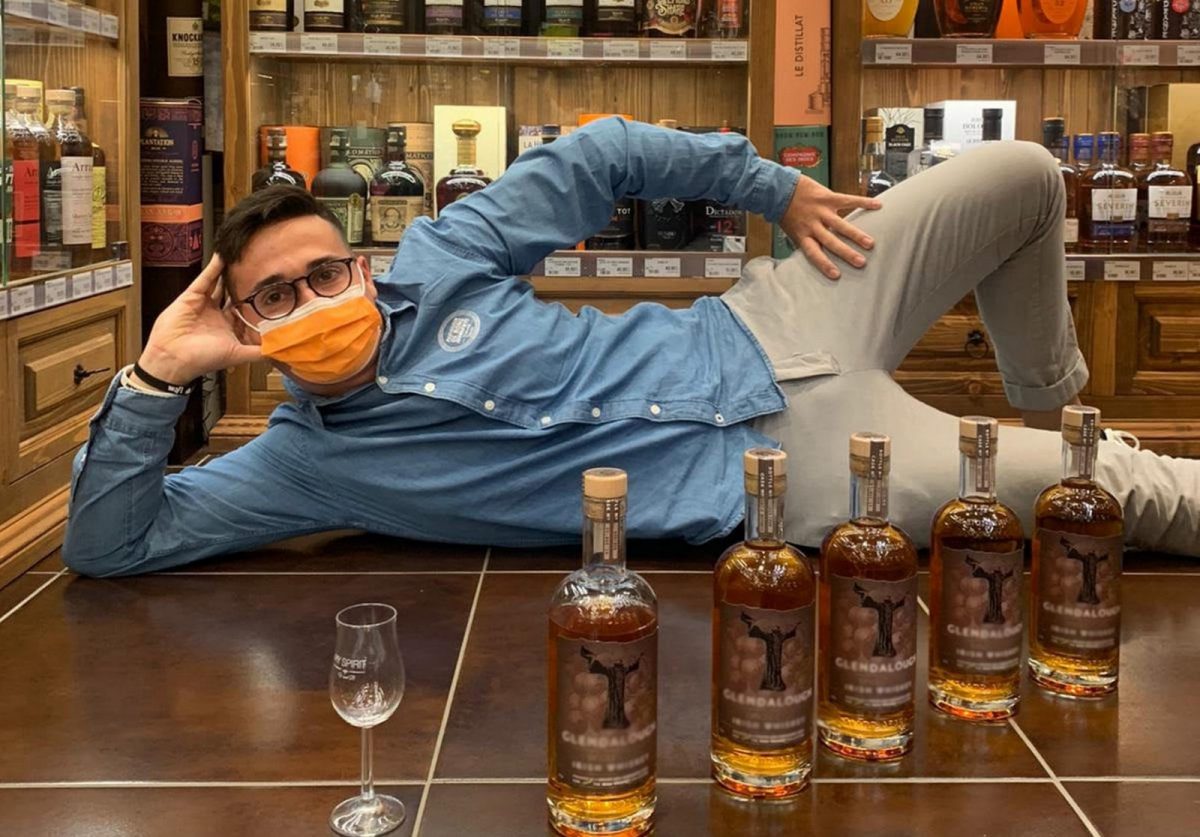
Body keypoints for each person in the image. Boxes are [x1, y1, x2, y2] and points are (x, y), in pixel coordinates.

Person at [62, 118, 1198, 576]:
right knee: (1117, 484)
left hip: (778, 316)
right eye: (276, 297)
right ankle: (1070, 445)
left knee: (1025, 177)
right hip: (791, 470)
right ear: (246, 331)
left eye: (327, 271)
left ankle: (1046, 395)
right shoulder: (302, 465)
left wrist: (775, 188)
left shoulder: (439, 259)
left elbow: (600, 155)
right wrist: (156, 374)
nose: (316, 299)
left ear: (359, 264)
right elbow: (111, 543)